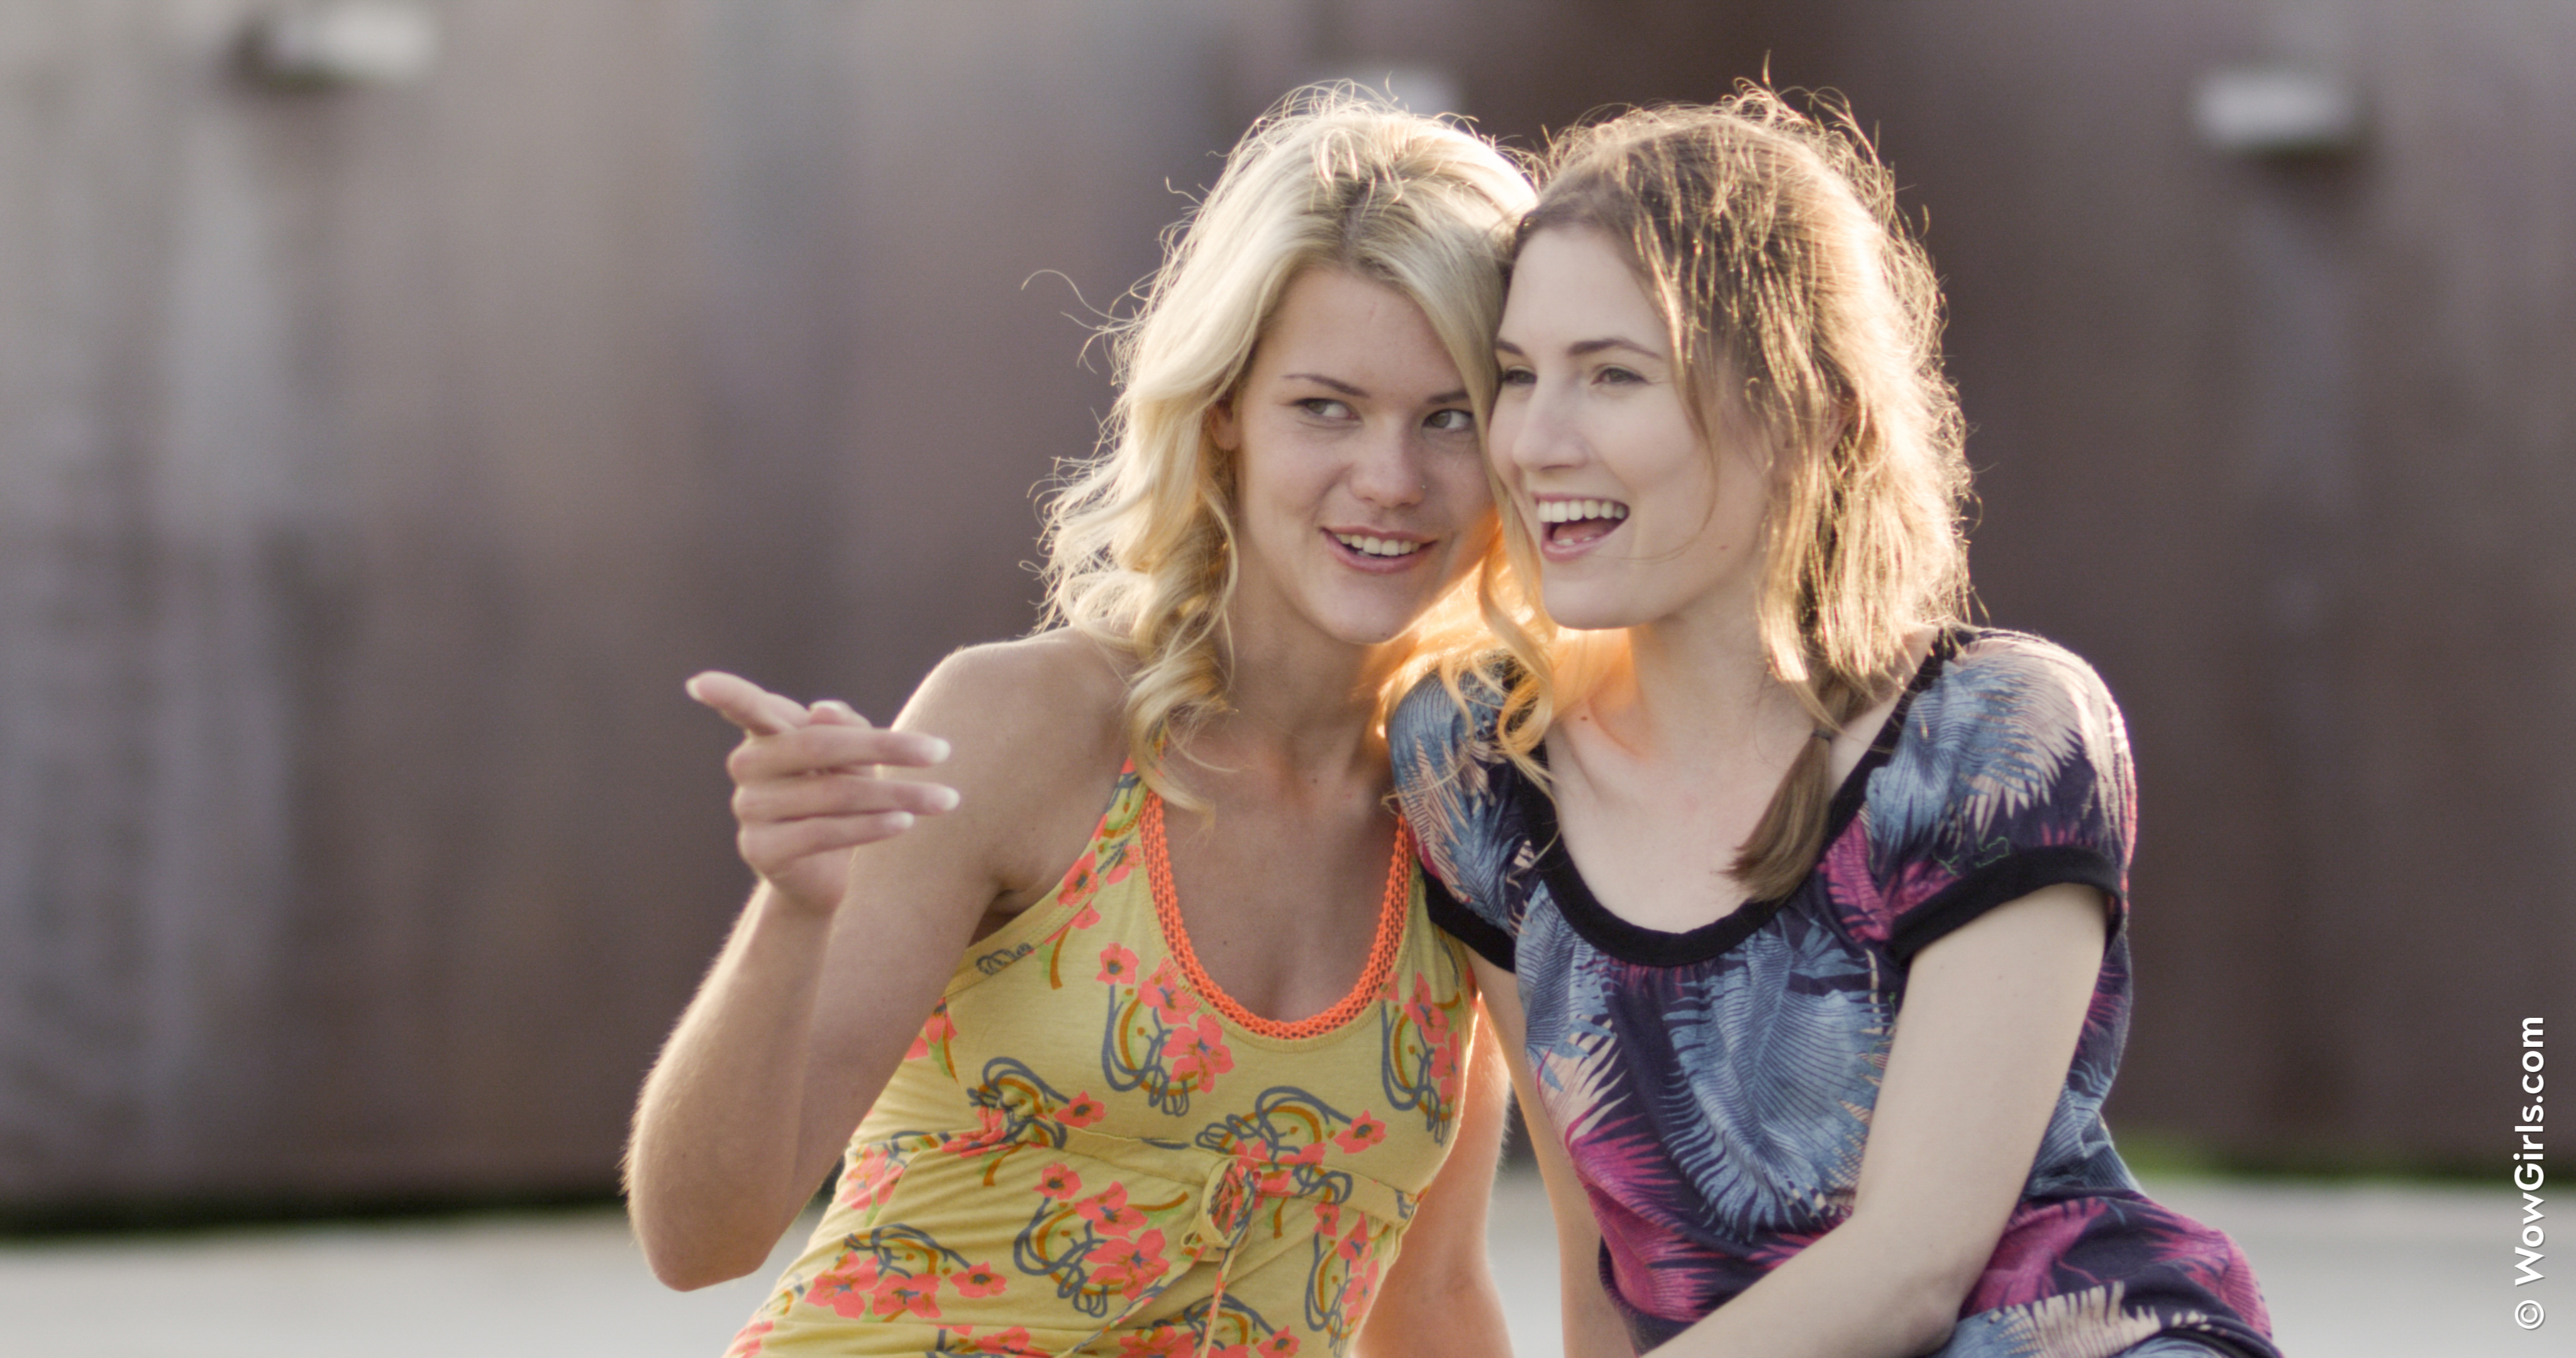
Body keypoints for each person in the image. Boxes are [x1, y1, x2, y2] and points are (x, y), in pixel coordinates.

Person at [625, 93, 1536, 1358]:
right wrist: (794, 911)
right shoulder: (1026, 725)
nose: (1389, 478)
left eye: (1450, 417)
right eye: (1325, 407)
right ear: (1223, 410)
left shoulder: (1467, 808)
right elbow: (696, 1243)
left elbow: (1429, 1298)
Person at [1390, 92, 2281, 1358]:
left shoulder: (1990, 736)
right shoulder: (1479, 763)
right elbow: (1609, 1253)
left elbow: (1912, 1267)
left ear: (1810, 408)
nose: (1532, 440)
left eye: (1613, 375)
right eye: (1518, 375)